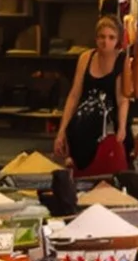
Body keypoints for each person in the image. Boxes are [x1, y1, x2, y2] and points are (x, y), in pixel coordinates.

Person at [52, 14, 132, 172]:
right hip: (83, 122)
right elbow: (74, 95)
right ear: (96, 39)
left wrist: (122, 127)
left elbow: (122, 98)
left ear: (117, 40)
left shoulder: (122, 60)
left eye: (111, 37)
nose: (105, 42)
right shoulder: (86, 58)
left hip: (108, 124)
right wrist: (62, 130)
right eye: (102, 37)